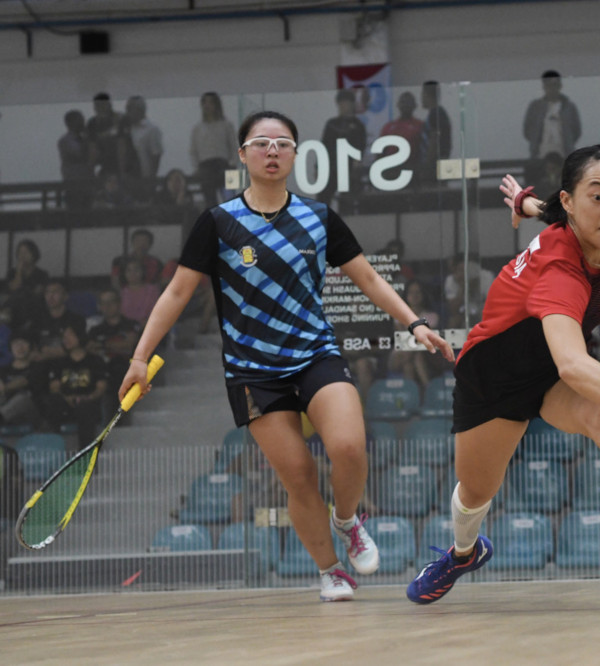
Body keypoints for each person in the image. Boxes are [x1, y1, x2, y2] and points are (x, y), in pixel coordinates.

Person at [118, 110, 454, 603]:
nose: (272, 151)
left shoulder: (318, 218)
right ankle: (332, 571)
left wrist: (415, 323)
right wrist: (139, 358)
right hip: (254, 372)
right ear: (242, 155)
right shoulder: (217, 223)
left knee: (349, 448)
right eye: (261, 143)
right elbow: (176, 293)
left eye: (282, 143)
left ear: (296, 154)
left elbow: (369, 279)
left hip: (315, 354)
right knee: (298, 477)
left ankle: (347, 520)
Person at [406, 145, 600, 605]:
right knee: (474, 493)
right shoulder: (560, 271)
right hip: (492, 381)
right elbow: (574, 363)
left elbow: (547, 209)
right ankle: (463, 554)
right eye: (598, 197)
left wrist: (522, 203)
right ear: (571, 202)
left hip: (549, 373)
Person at [42, 324, 108, 448]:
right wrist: (67, 397)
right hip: (66, 404)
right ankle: (51, 448)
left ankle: (84, 455)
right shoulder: (59, 363)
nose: (65, 339)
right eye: (64, 337)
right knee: (53, 401)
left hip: (88, 403)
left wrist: (87, 398)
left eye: (69, 335)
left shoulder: (95, 361)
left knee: (86, 408)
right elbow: (54, 387)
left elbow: (101, 387)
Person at [189, 92, 239, 208]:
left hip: (226, 165)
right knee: (210, 203)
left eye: (210, 102)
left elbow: (234, 146)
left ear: (217, 105)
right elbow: (193, 151)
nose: (207, 105)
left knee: (231, 201)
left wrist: (233, 164)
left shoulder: (227, 125)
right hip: (206, 167)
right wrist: (196, 168)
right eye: (204, 102)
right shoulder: (197, 128)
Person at [320, 89, 368, 202]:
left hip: (350, 170)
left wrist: (357, 163)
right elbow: (324, 146)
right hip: (330, 169)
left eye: (346, 102)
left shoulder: (358, 125)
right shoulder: (331, 124)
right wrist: (318, 168)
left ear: (352, 104)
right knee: (323, 198)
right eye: (341, 103)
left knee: (348, 201)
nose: (344, 106)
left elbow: (361, 145)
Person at [522, 70, 582, 160]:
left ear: (560, 86)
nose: (552, 89)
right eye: (549, 85)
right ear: (544, 87)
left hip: (564, 154)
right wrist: (535, 141)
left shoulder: (569, 107)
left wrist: (568, 142)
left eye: (555, 85)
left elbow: (576, 130)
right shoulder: (535, 106)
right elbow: (527, 129)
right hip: (540, 153)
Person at [28, 279, 87, 364]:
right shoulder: (37, 320)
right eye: (47, 292)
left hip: (69, 363)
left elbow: (78, 346)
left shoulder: (77, 320)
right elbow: (32, 346)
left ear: (65, 296)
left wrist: (50, 354)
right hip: (42, 365)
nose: (50, 296)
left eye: (55, 292)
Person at [87, 288, 140, 381]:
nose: (107, 306)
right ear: (99, 306)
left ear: (119, 303)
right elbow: (91, 349)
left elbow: (129, 345)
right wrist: (117, 345)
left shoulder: (131, 325)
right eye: (103, 303)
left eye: (111, 301)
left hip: (128, 369)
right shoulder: (95, 330)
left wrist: (102, 344)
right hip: (104, 371)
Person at [118, 95, 163, 199]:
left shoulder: (152, 129)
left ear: (141, 110)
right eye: (127, 109)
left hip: (144, 176)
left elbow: (156, 156)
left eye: (130, 109)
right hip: (127, 177)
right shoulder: (126, 128)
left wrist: (151, 179)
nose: (127, 112)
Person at [5, 239, 49, 330]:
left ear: (33, 254)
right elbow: (13, 289)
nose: (22, 256)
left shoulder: (41, 274)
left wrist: (24, 292)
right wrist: (19, 271)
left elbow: (38, 293)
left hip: (34, 308)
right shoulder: (12, 273)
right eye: (20, 252)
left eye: (26, 252)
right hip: (15, 308)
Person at [379, 91, 424, 180]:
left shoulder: (420, 126)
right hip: (390, 171)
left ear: (414, 105)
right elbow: (380, 153)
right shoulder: (388, 127)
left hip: (413, 171)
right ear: (398, 105)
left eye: (408, 102)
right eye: (403, 102)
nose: (405, 105)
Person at [57, 109, 95, 210]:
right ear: (70, 123)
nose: (83, 123)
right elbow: (80, 154)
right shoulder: (66, 141)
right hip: (73, 184)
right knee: (75, 214)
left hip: (88, 183)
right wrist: (90, 140)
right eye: (80, 120)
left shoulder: (83, 139)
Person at [418, 80, 453, 184]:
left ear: (426, 94)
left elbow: (434, 142)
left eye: (422, 94)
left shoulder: (436, 114)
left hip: (433, 169)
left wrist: (427, 166)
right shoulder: (436, 114)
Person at [85, 92, 122, 177]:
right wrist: (90, 169)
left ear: (109, 104)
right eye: (97, 105)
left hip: (123, 161)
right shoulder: (92, 123)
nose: (99, 108)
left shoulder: (120, 118)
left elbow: (117, 133)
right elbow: (92, 147)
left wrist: (102, 136)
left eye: (102, 105)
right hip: (104, 163)